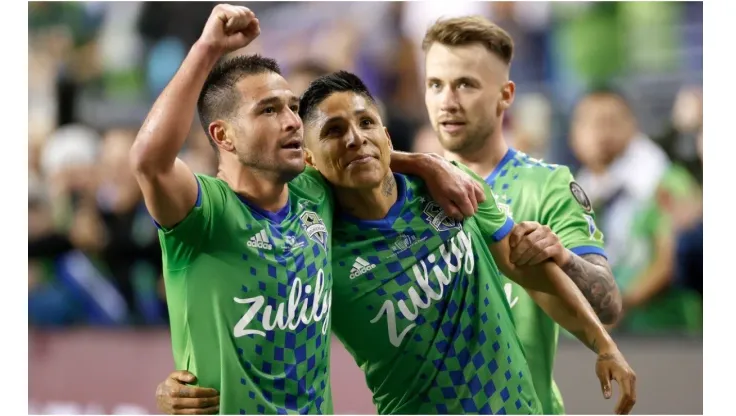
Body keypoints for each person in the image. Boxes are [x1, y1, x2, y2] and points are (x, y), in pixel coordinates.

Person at [155, 71, 638, 415]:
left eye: (367, 124)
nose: (356, 139)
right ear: (307, 158)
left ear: (386, 134)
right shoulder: (312, 235)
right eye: (335, 132)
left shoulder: (454, 191)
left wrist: (602, 343)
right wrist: (181, 385)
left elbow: (525, 266)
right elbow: (251, 304)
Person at [131, 5, 489, 414]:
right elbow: (149, 161)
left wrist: (425, 163)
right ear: (222, 135)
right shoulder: (204, 214)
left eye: (292, 107)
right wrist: (207, 48)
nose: (292, 121)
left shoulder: (314, 191)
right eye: (269, 110)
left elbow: (357, 153)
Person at [420, 16, 623, 415]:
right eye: (435, 85)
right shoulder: (404, 189)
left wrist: (562, 257)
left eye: (466, 84)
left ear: (506, 95)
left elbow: (609, 304)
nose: (448, 101)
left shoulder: (547, 185)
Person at [570, 88, 702, 334]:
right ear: (574, 135)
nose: (602, 132)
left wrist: (621, 305)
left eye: (611, 121)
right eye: (591, 123)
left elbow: (669, 263)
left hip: (666, 338)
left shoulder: (665, 181)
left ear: (632, 126)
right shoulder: (573, 192)